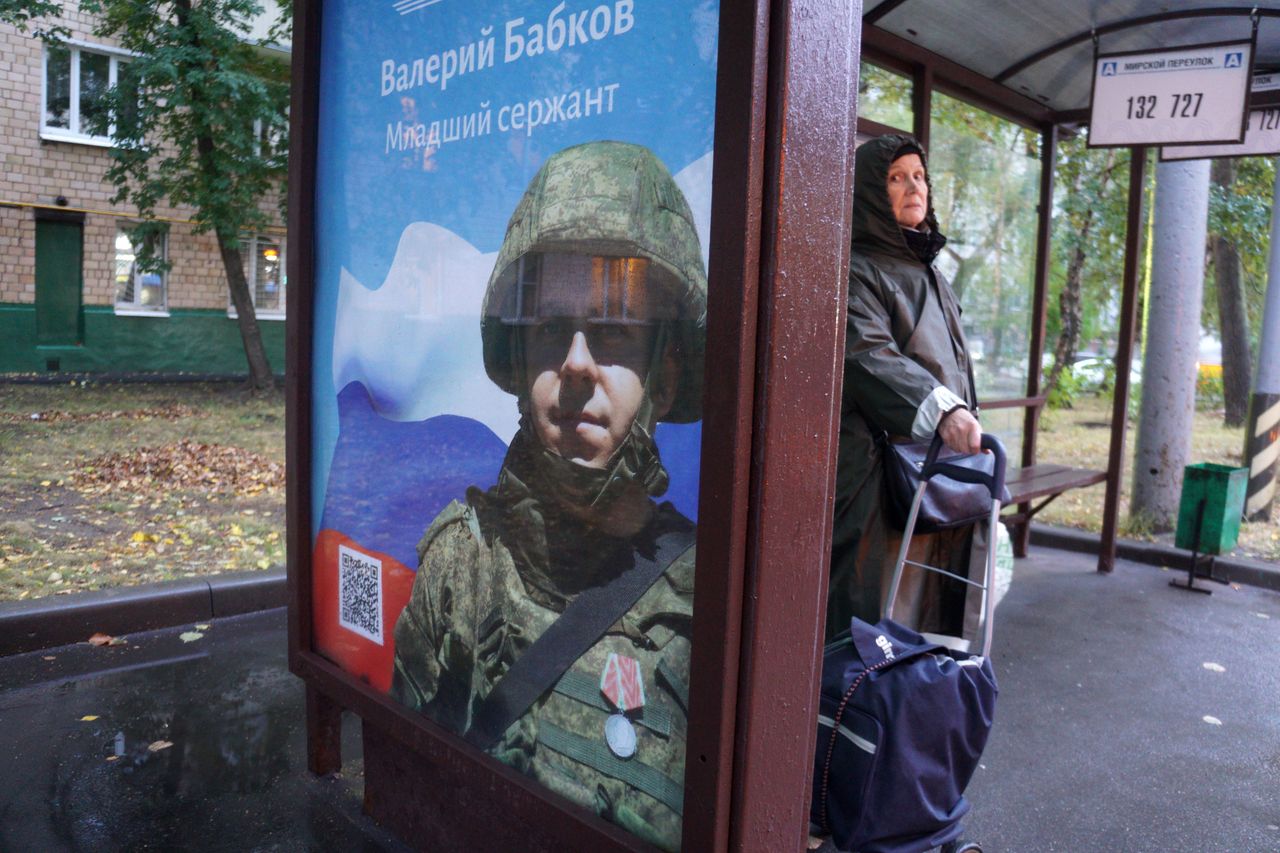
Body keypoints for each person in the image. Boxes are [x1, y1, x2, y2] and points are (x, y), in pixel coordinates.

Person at [390, 141, 706, 852]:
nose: (575, 361)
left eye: (616, 329)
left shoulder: (704, 604)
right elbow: (406, 790)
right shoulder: (461, 566)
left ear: (670, 367)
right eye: (550, 329)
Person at [828, 133, 983, 641]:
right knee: (879, 616)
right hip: (879, 477)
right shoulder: (856, 269)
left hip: (934, 473)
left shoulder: (932, 274)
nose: (913, 186)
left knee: (929, 609)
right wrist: (943, 411)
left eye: (918, 176)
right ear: (871, 192)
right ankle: (860, 714)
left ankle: (913, 709)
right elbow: (867, 353)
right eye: (895, 178)